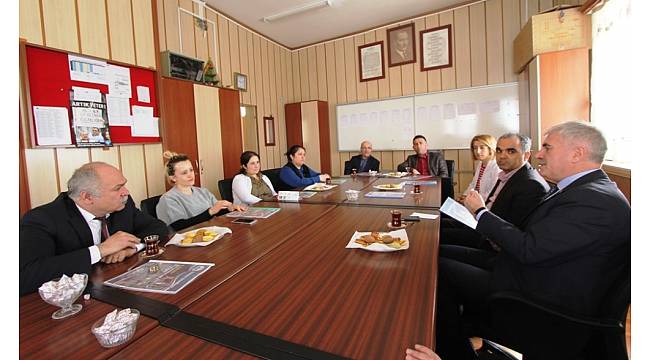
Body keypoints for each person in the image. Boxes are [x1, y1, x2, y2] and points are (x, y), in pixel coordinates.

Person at [433, 121, 630, 359]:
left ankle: (452, 351)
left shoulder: (594, 201)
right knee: (435, 258)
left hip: (539, 298)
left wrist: (482, 213)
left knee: (436, 271)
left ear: (577, 153)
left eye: (547, 148)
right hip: (526, 271)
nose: (538, 154)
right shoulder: (583, 189)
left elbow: (528, 249)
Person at [19, 162, 169, 295]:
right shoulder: (43, 219)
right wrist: (101, 250)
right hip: (69, 303)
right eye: (118, 188)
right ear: (87, 197)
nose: (126, 192)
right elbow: (27, 276)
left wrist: (132, 248)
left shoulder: (122, 205)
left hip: (114, 289)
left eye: (124, 184)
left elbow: (158, 228)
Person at [440, 133, 549, 249]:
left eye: (511, 151)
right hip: (482, 225)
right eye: (499, 151)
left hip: (491, 242)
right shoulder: (507, 173)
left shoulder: (531, 185)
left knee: (438, 243)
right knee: (437, 226)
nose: (502, 156)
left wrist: (478, 210)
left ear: (526, 156)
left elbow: (511, 234)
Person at [156, 151, 246, 231]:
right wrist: (210, 211)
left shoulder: (203, 191)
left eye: (191, 170)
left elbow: (216, 211)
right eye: (184, 173)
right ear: (173, 178)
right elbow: (179, 226)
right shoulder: (168, 199)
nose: (190, 175)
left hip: (210, 233)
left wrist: (230, 208)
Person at [459, 135, 499, 203]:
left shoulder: (497, 167)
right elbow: (473, 184)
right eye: (475, 148)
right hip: (477, 202)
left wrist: (469, 200)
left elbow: (492, 193)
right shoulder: (481, 164)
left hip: (487, 205)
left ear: (490, 148)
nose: (477, 151)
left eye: (482, 148)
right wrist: (465, 195)